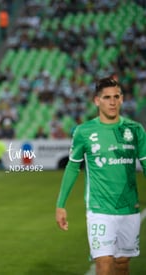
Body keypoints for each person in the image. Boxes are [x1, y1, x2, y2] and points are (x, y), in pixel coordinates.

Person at [55, 76, 146, 275]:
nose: (112, 102)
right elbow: (72, 167)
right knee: (104, 264)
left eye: (116, 96)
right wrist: (61, 204)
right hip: (99, 210)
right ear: (97, 101)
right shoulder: (84, 131)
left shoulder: (135, 130)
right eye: (106, 97)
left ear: (122, 99)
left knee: (122, 264)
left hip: (129, 208)